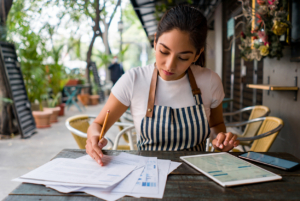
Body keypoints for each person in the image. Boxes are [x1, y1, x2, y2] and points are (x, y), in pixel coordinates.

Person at [86, 5, 239, 166]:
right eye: (164, 52)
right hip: (146, 175)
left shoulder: (210, 81)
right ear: (155, 41)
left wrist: (222, 140)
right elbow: (98, 125)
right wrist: (94, 138)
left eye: (183, 58)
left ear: (197, 54)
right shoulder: (133, 80)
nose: (169, 65)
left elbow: (216, 125)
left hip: (197, 175)